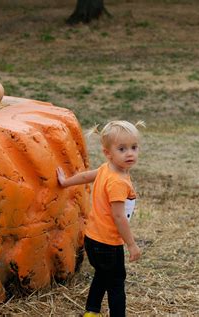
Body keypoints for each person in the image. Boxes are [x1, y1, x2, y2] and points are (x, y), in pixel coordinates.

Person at [56, 120, 145, 317]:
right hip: (108, 244)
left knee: (102, 276)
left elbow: (86, 176)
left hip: (93, 238)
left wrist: (66, 182)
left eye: (134, 147)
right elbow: (119, 216)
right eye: (122, 149)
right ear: (108, 153)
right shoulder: (118, 182)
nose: (130, 153)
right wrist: (131, 244)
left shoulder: (108, 169)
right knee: (116, 284)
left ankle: (92, 311)